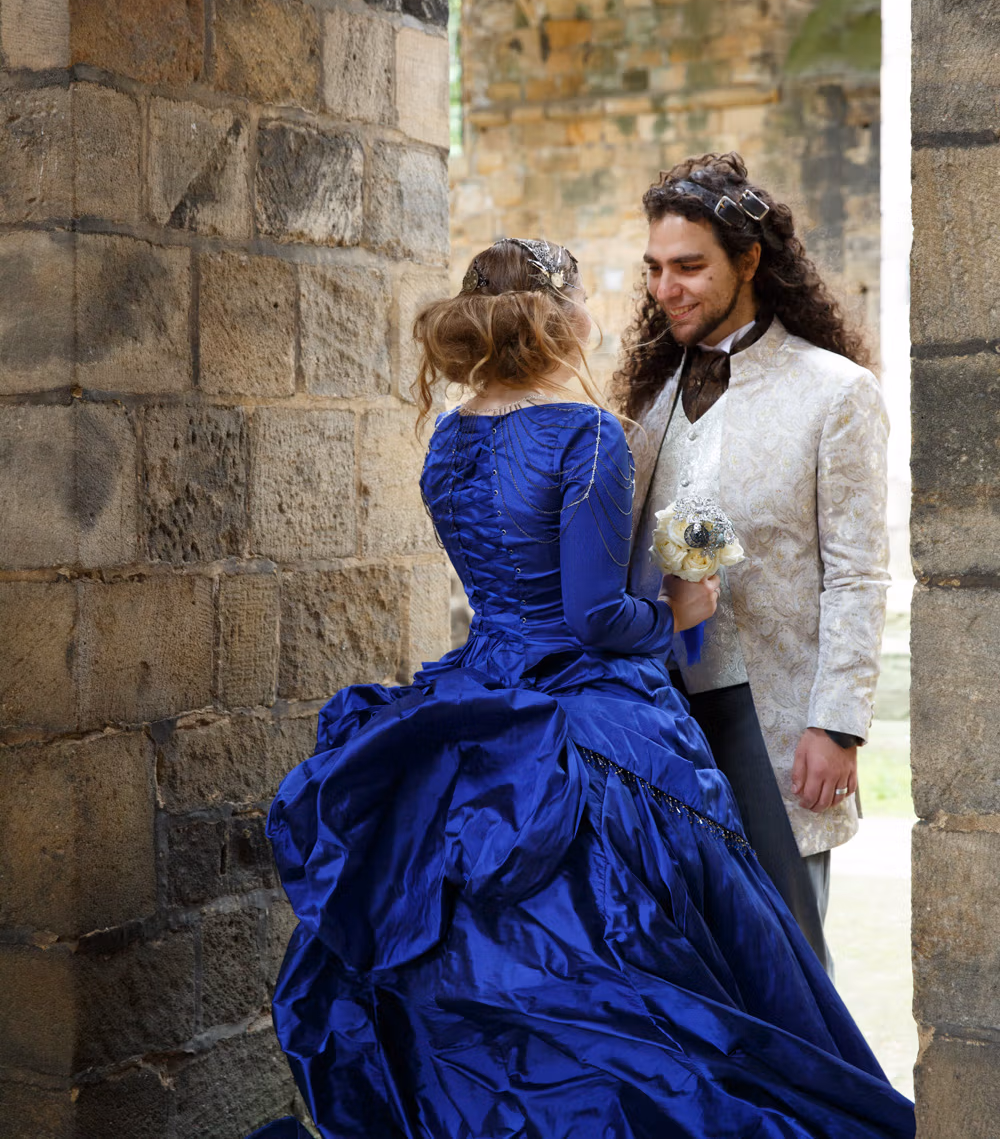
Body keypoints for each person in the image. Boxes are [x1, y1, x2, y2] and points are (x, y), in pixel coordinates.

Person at [251, 237, 913, 1138]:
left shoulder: (450, 438)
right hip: (583, 708)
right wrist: (680, 609)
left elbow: (509, 586)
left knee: (475, 938)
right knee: (642, 941)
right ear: (561, 319)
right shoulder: (586, 433)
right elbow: (596, 618)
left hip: (478, 686)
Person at [616, 152, 890, 974]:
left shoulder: (836, 392)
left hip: (773, 723)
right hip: (661, 725)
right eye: (656, 269)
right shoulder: (652, 402)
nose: (667, 289)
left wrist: (836, 725)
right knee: (690, 972)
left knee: (792, 968)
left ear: (749, 261)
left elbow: (858, 572)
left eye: (689, 267)